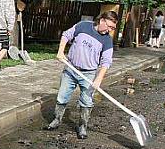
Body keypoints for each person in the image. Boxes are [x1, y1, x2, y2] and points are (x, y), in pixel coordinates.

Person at [45, 11, 117, 139]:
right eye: (109, 27)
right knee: (62, 96)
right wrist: (61, 51)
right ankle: (57, 120)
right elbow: (66, 35)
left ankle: (83, 126)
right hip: (71, 68)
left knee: (86, 101)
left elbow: (106, 61)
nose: (110, 30)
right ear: (102, 21)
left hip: (88, 73)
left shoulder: (107, 41)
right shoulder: (83, 26)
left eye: (113, 28)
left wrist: (99, 79)